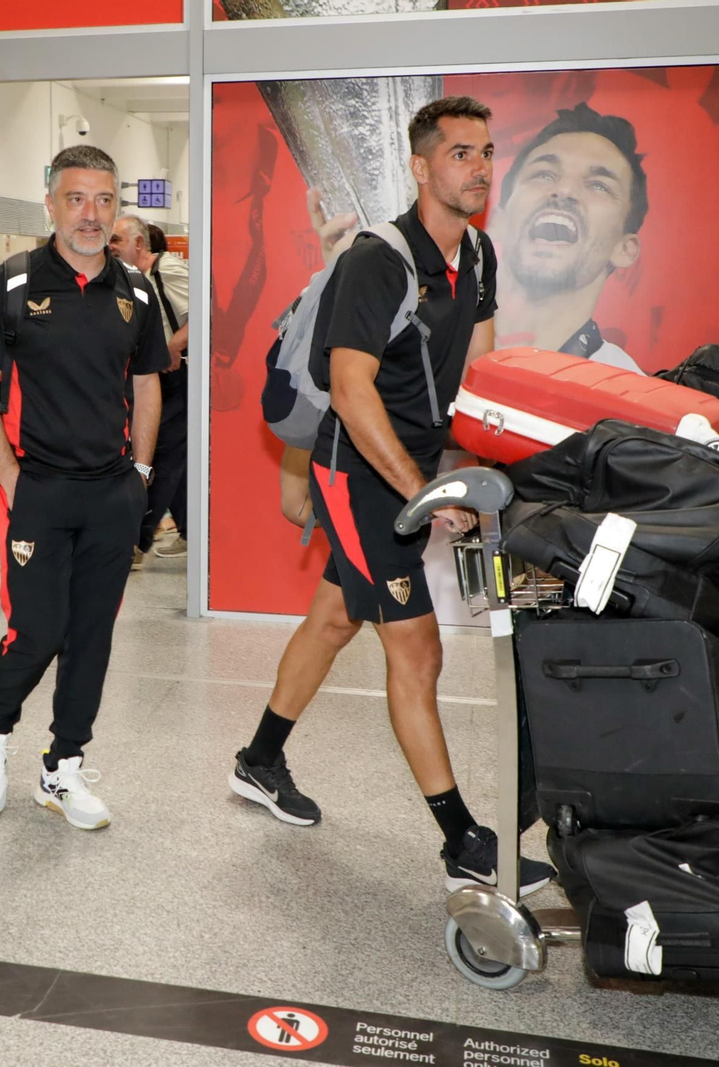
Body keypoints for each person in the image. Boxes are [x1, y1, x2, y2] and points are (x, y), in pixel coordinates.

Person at [230, 96, 556, 898]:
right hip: (358, 468)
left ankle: (258, 759)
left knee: (338, 613)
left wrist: (486, 468)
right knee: (418, 648)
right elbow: (348, 388)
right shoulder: (379, 259)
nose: (477, 168)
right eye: (459, 154)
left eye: (485, 152)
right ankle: (461, 839)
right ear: (420, 166)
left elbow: (477, 374)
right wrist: (420, 492)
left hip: (412, 464)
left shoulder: (477, 254)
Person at [0, 146, 172, 831]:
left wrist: (139, 473)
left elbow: (147, 386)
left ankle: (63, 767)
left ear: (117, 209)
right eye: (76, 198)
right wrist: (14, 479)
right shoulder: (10, 285)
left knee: (92, 637)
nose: (90, 214)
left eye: (104, 200)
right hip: (39, 489)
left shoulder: (137, 291)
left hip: (111, 492)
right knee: (38, 629)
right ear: (49, 202)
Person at [490, 102, 648, 373]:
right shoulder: (425, 351)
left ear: (625, 249)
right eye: (544, 174)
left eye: (599, 185)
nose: (564, 190)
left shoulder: (633, 397)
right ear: (498, 223)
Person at [109, 214, 190, 568]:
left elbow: (206, 313)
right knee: (175, 460)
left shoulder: (167, 269)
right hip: (151, 378)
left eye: (117, 240)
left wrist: (172, 347)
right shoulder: (128, 279)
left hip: (179, 377)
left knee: (161, 457)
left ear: (139, 244)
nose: (110, 247)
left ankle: (135, 543)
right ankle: (193, 533)